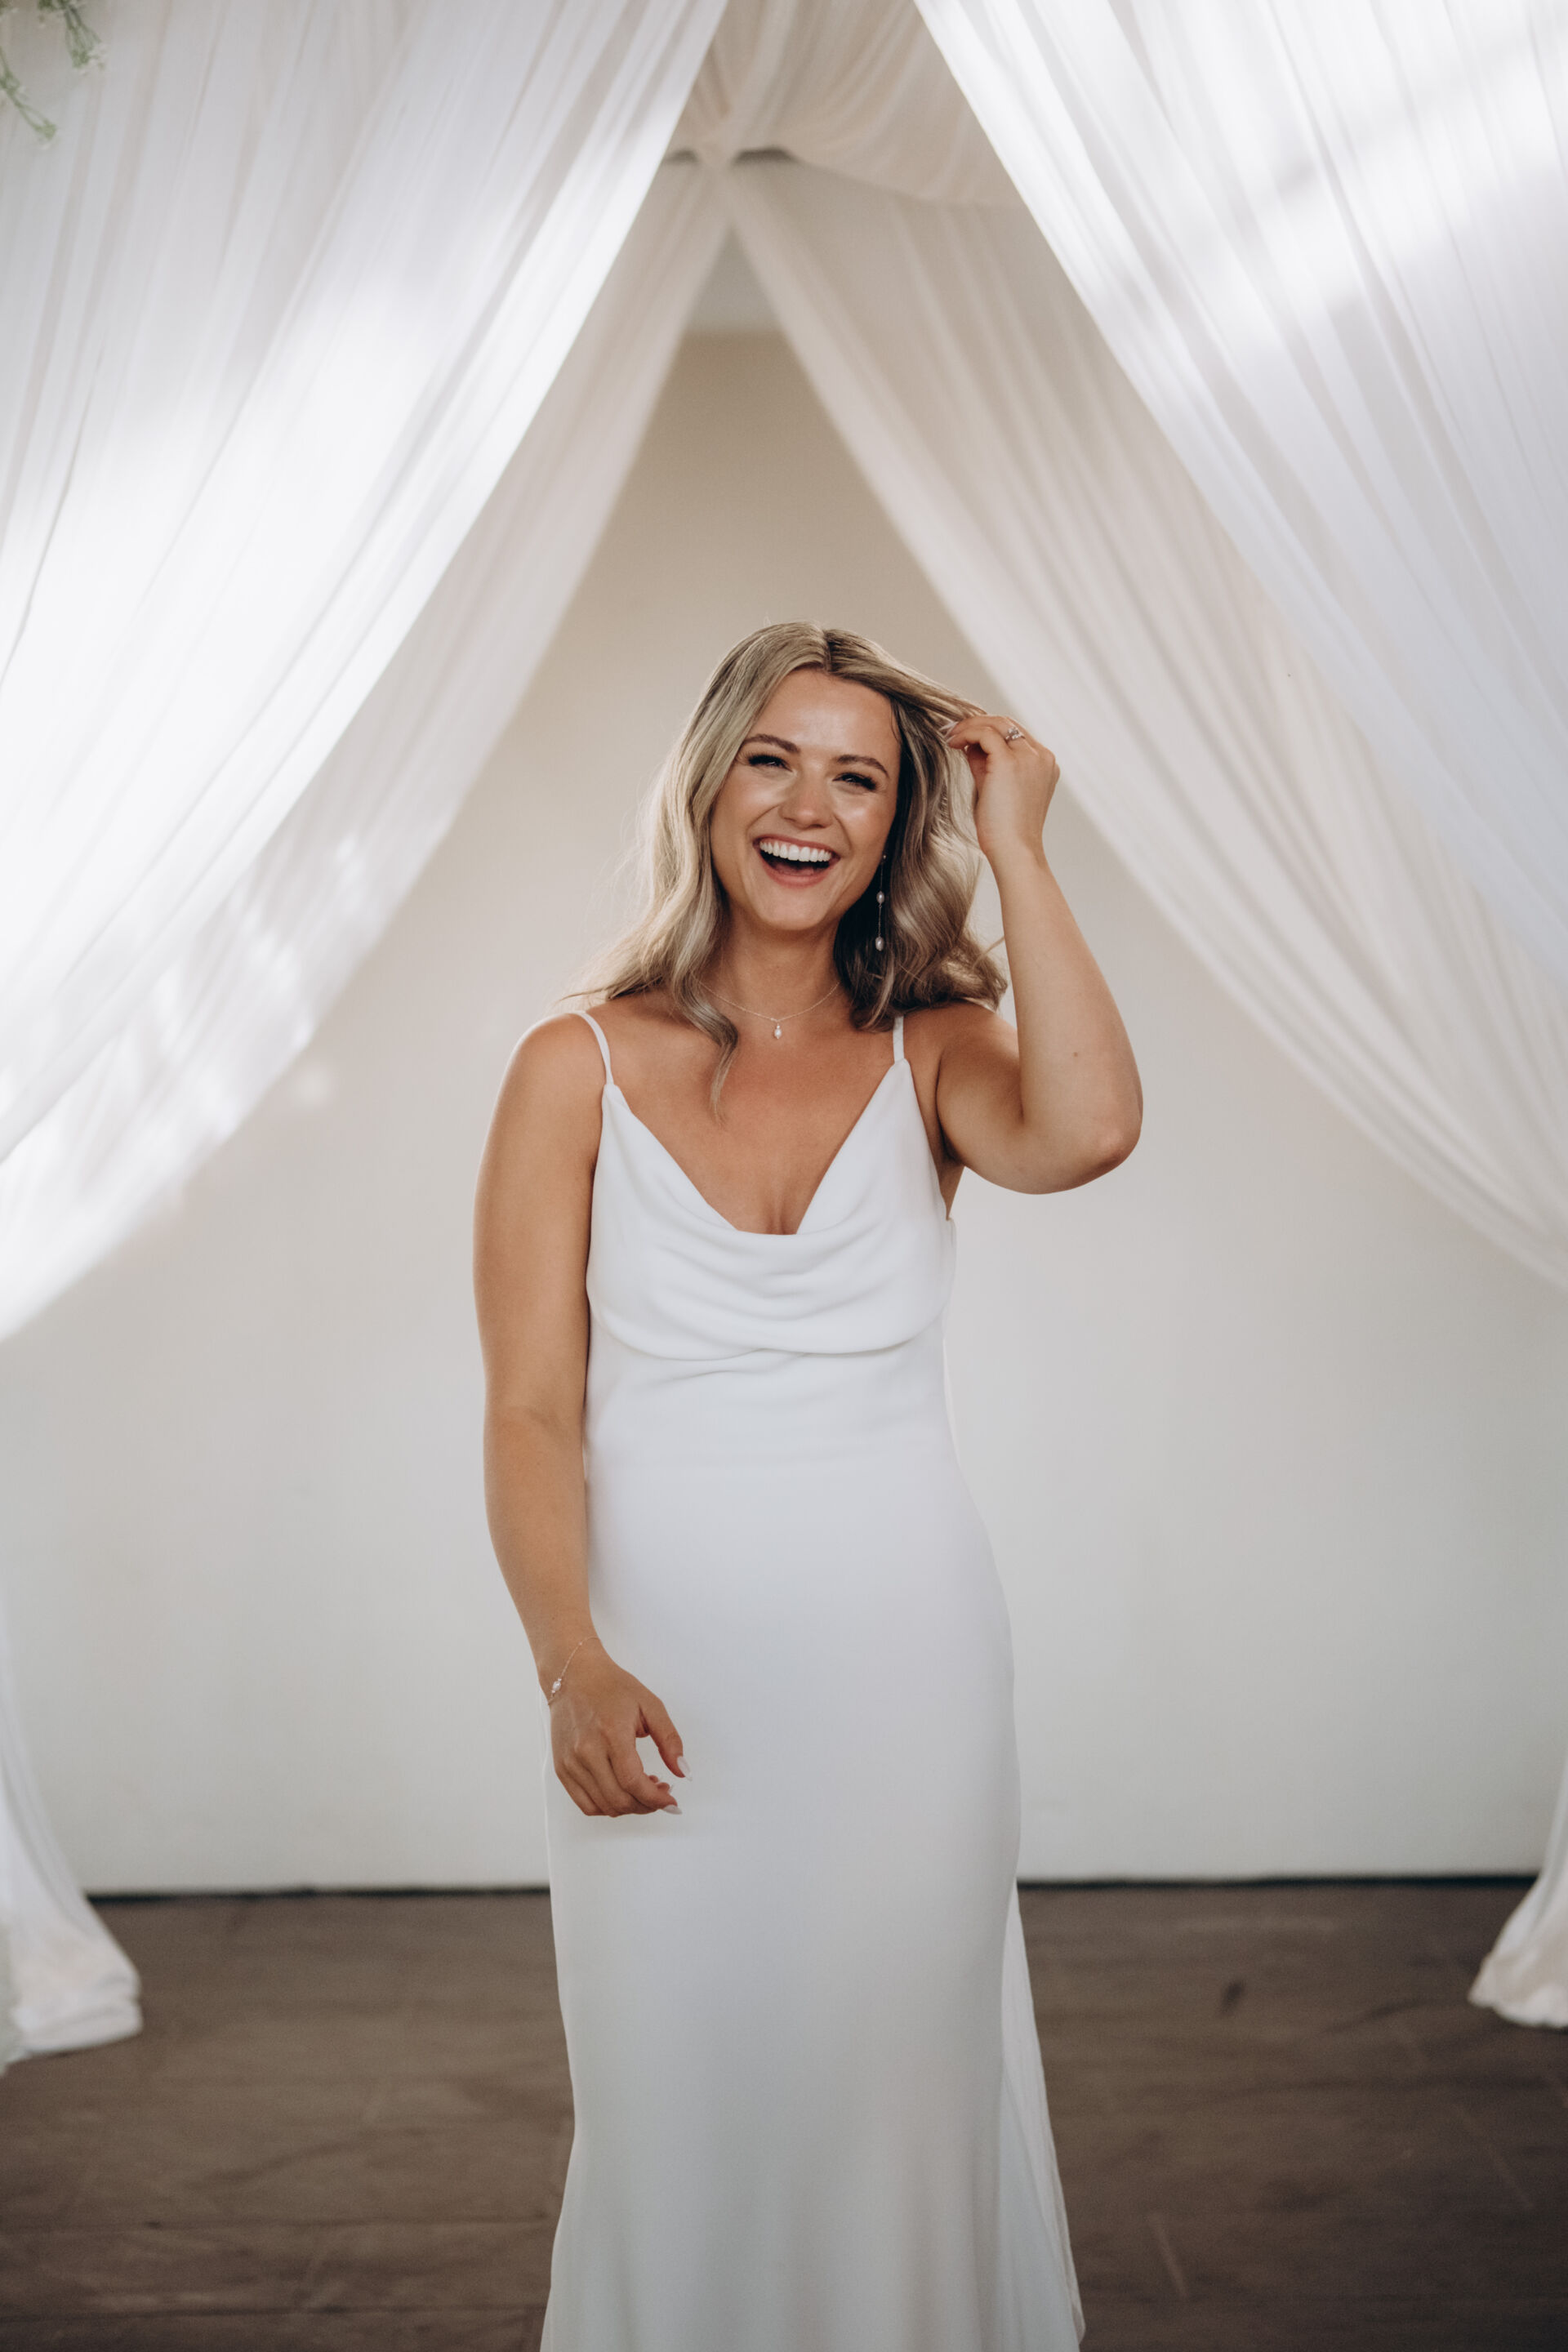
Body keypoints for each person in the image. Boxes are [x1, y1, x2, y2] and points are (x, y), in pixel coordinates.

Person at [474, 622, 1141, 2351]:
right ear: (709, 781)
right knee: (677, 2105)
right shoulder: (572, 1065)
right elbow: (531, 1410)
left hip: (909, 1681)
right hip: (658, 1690)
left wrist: (1021, 842)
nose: (806, 807)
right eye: (773, 758)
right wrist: (569, 1663)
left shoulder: (940, 1050)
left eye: (860, 777)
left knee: (897, 2096)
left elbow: (1088, 1132)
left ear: (899, 822)